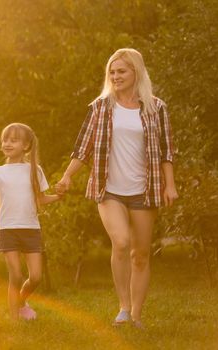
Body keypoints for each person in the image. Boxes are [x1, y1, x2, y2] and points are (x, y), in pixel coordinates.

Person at [56, 48, 178, 329]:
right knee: (121, 242)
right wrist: (67, 177)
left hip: (145, 190)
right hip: (108, 188)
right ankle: (123, 307)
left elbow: (166, 151)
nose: (115, 76)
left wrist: (170, 185)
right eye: (112, 71)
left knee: (141, 254)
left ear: (136, 72)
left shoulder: (156, 107)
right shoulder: (100, 107)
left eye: (121, 71)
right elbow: (82, 148)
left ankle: (136, 315)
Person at [0, 123, 60, 320]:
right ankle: (14, 319)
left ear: (26, 146)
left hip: (31, 229)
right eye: (5, 140)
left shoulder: (35, 170)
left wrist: (59, 196)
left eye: (13, 140)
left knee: (36, 277)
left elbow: (41, 199)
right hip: (7, 230)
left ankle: (22, 301)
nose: (7, 143)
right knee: (15, 276)